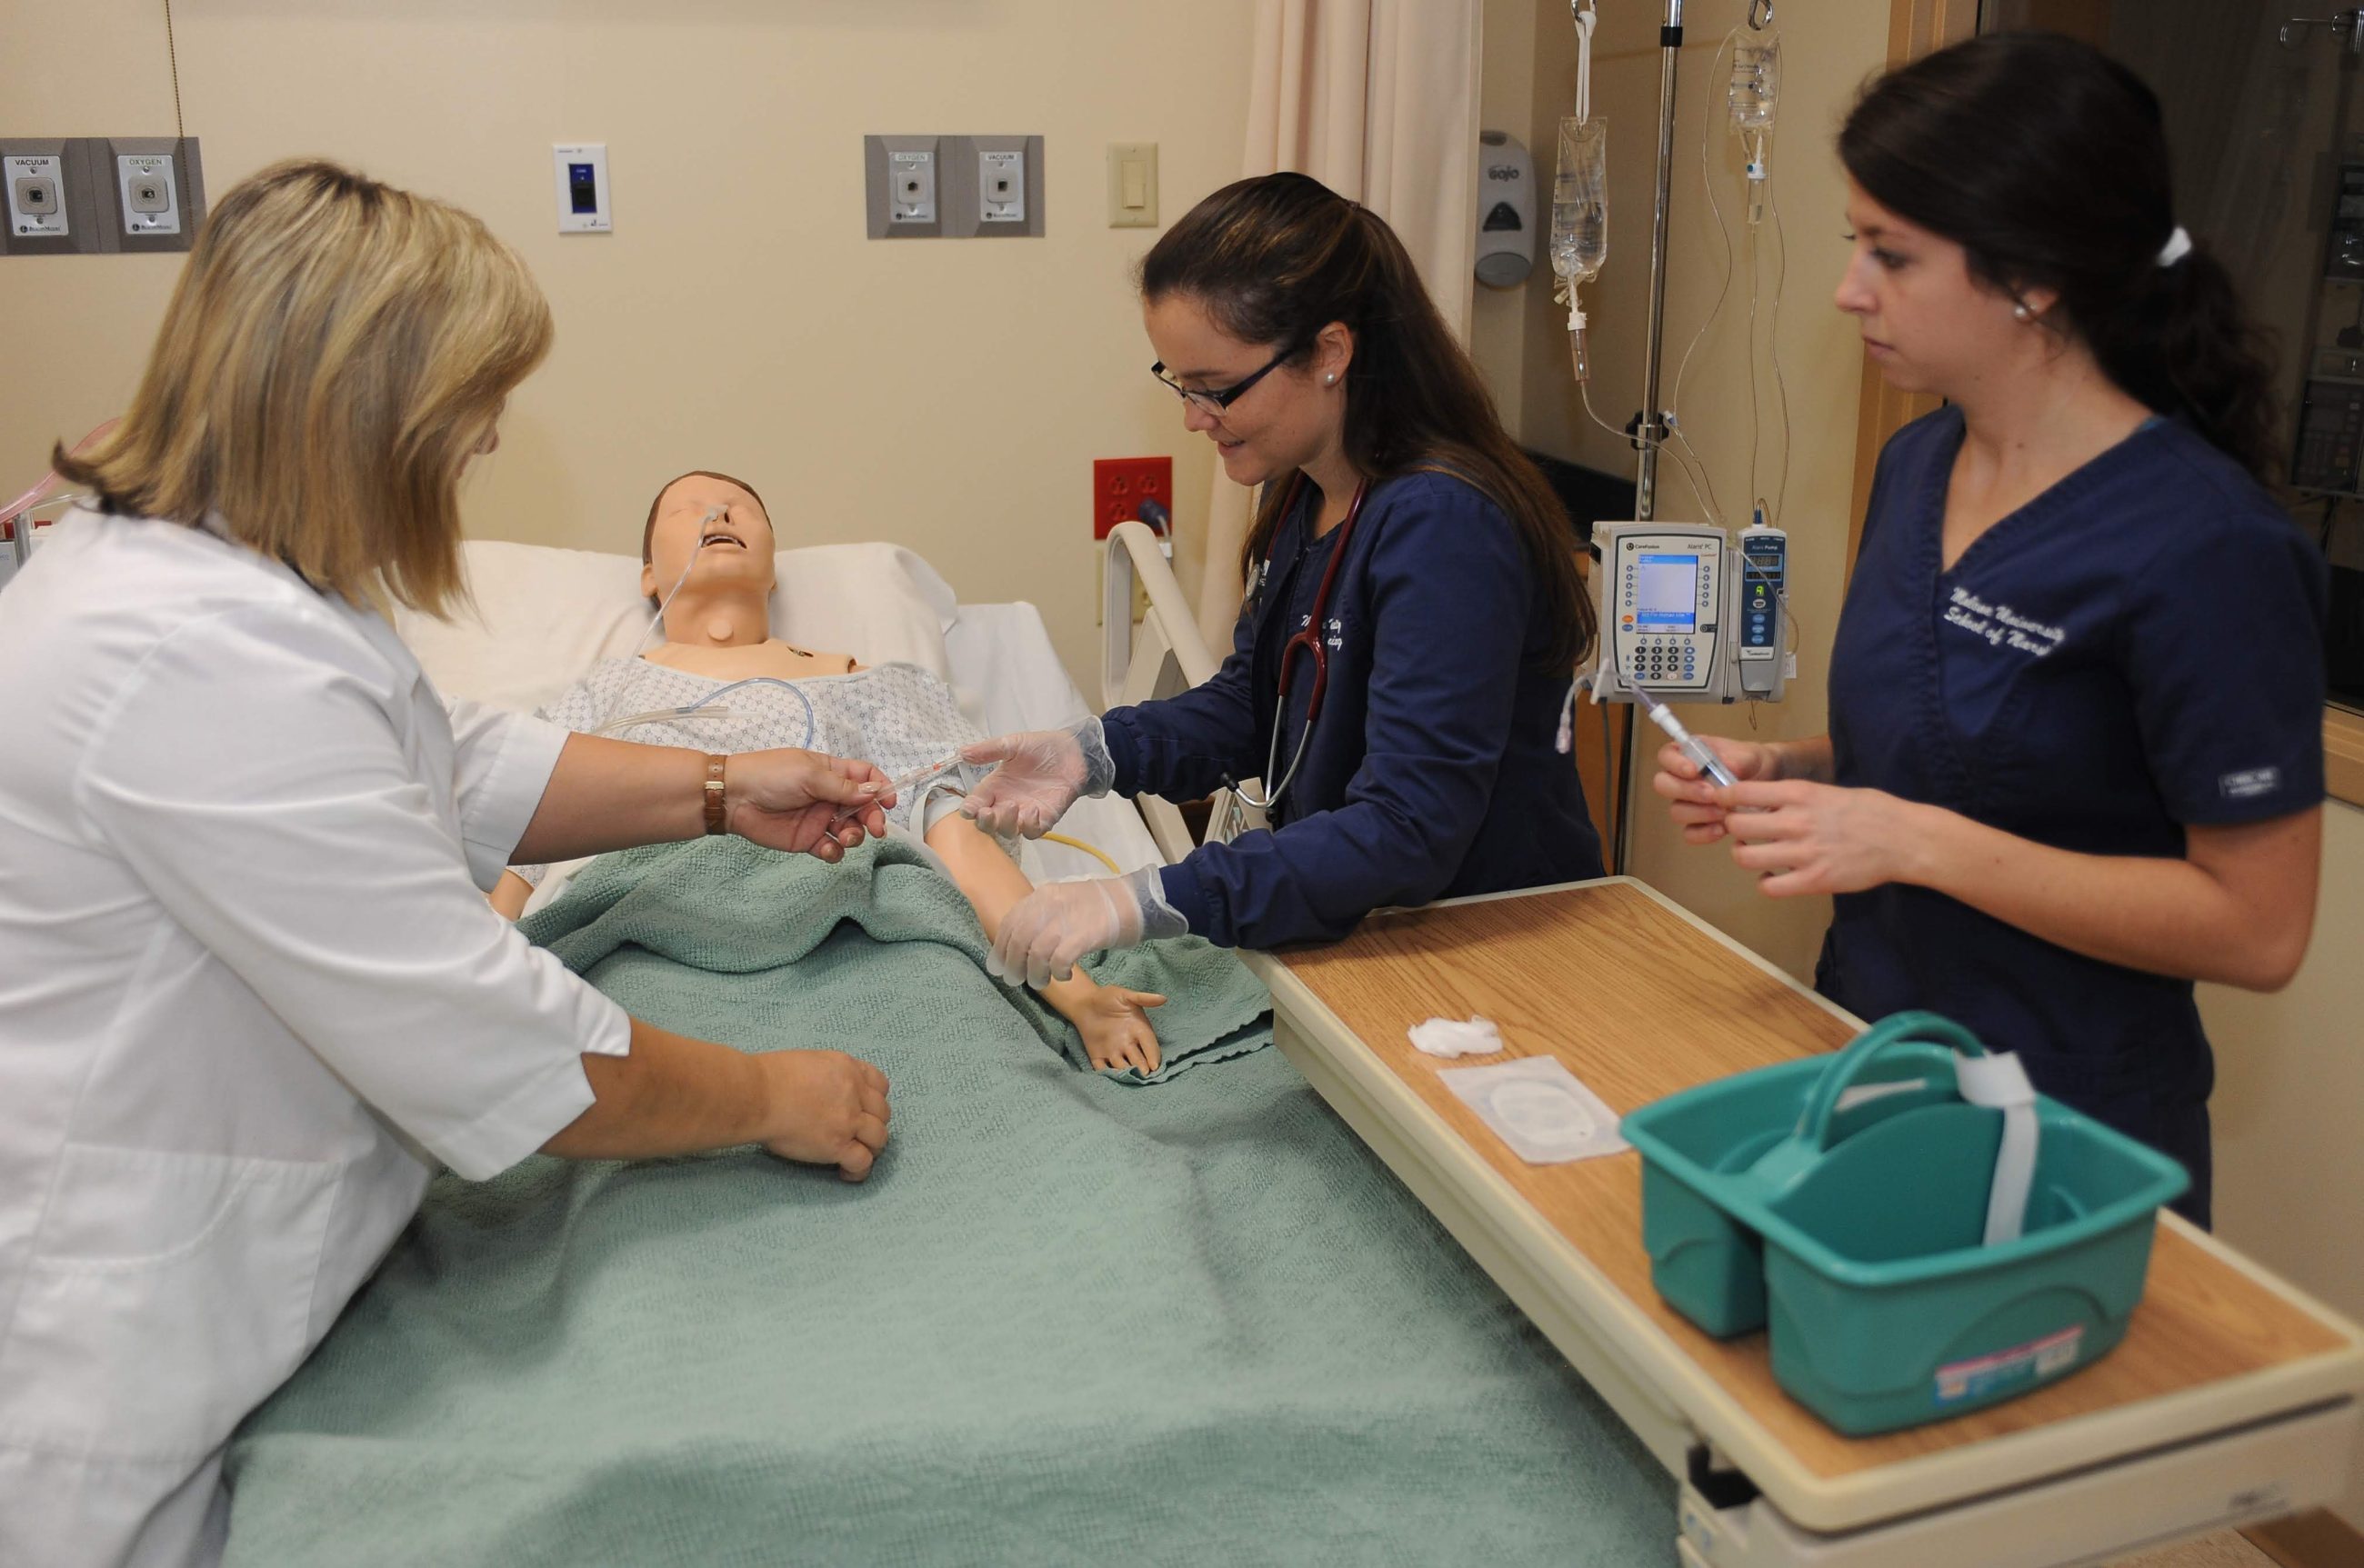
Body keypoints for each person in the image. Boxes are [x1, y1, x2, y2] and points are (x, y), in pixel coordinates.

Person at [0, 161, 897, 1568]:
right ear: (361, 415)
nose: (484, 446)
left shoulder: (231, 581)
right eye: (473, 409)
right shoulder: (187, 656)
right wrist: (777, 1089)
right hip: (99, 1362)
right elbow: (497, 1038)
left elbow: (444, 761)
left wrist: (722, 786)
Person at [1651, 34, 2325, 1226]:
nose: (1849, 288)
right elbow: (1966, 747)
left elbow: (2260, 927)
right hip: (1868, 1059)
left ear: (2034, 274)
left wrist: (1907, 839)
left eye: (1891, 255)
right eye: (1857, 241)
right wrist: (1796, 776)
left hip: (2067, 1127)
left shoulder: (2205, 544)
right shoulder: (1917, 464)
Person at [963, 172, 1605, 986]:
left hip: (1498, 947)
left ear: (1330, 353)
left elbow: (1409, 825)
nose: (1195, 419)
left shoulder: (1445, 527)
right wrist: (1092, 753)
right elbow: (1256, 705)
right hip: (1380, 934)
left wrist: (1151, 896)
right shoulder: (1304, 489)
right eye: (1179, 384)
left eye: (1216, 389)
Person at [492, 468, 1171, 1072]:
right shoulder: (604, 698)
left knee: (963, 1051)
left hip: (868, 928)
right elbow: (524, 845)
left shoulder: (867, 682)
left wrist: (1079, 994)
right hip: (647, 932)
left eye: (738, 507)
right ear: (647, 576)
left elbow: (955, 837)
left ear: (774, 567)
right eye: (688, 507)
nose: (717, 515)